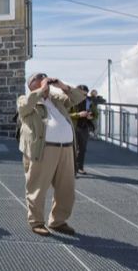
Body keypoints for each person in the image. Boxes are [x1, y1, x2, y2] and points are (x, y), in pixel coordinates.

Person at [16, 72, 86, 236]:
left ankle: (58, 221)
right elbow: (24, 107)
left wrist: (63, 86)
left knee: (66, 188)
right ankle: (36, 222)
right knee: (37, 187)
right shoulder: (26, 99)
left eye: (45, 76)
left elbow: (78, 98)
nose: (43, 78)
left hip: (66, 148)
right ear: (31, 84)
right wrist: (41, 90)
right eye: (39, 77)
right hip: (44, 149)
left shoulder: (56, 100)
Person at [69, 84, 98, 175]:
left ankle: (80, 167)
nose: (84, 97)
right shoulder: (70, 101)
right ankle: (73, 169)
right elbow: (66, 114)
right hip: (73, 127)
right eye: (82, 95)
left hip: (84, 127)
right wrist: (78, 115)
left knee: (82, 149)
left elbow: (96, 114)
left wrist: (91, 116)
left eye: (85, 95)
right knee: (73, 149)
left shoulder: (89, 101)